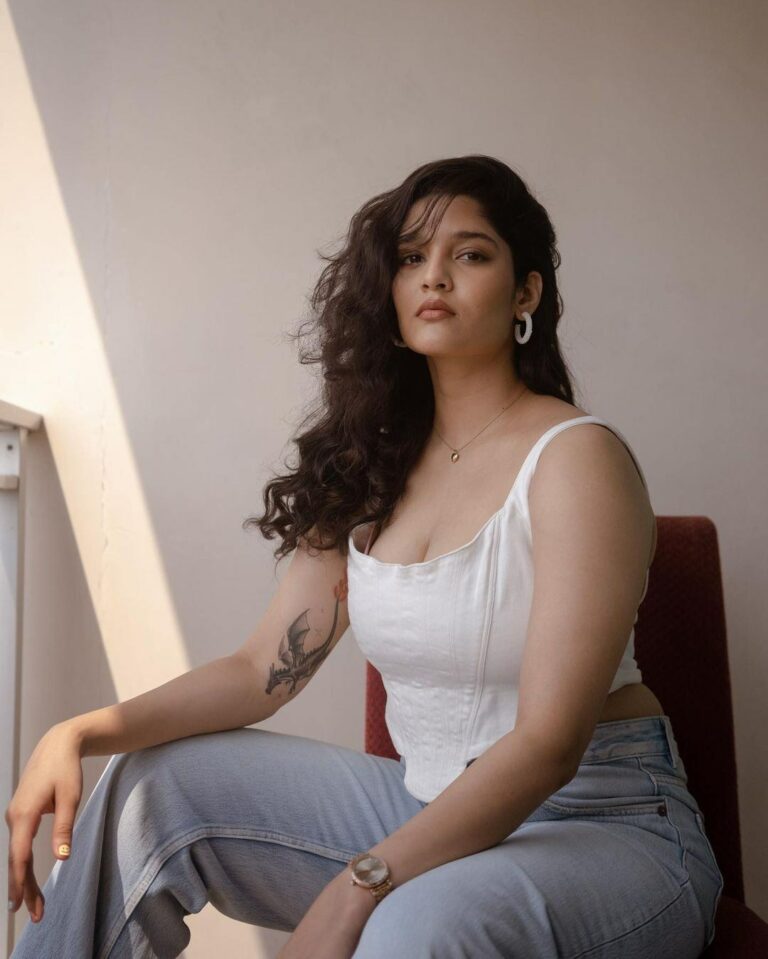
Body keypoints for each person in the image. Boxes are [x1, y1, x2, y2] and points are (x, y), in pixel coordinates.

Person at [6, 155, 723, 958]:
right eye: (412, 257)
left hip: (603, 824)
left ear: (526, 293)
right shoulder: (374, 467)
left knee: (411, 925)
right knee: (150, 787)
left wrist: (362, 881)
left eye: (470, 253)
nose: (435, 276)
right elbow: (260, 671)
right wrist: (81, 732)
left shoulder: (576, 458)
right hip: (431, 808)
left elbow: (548, 744)